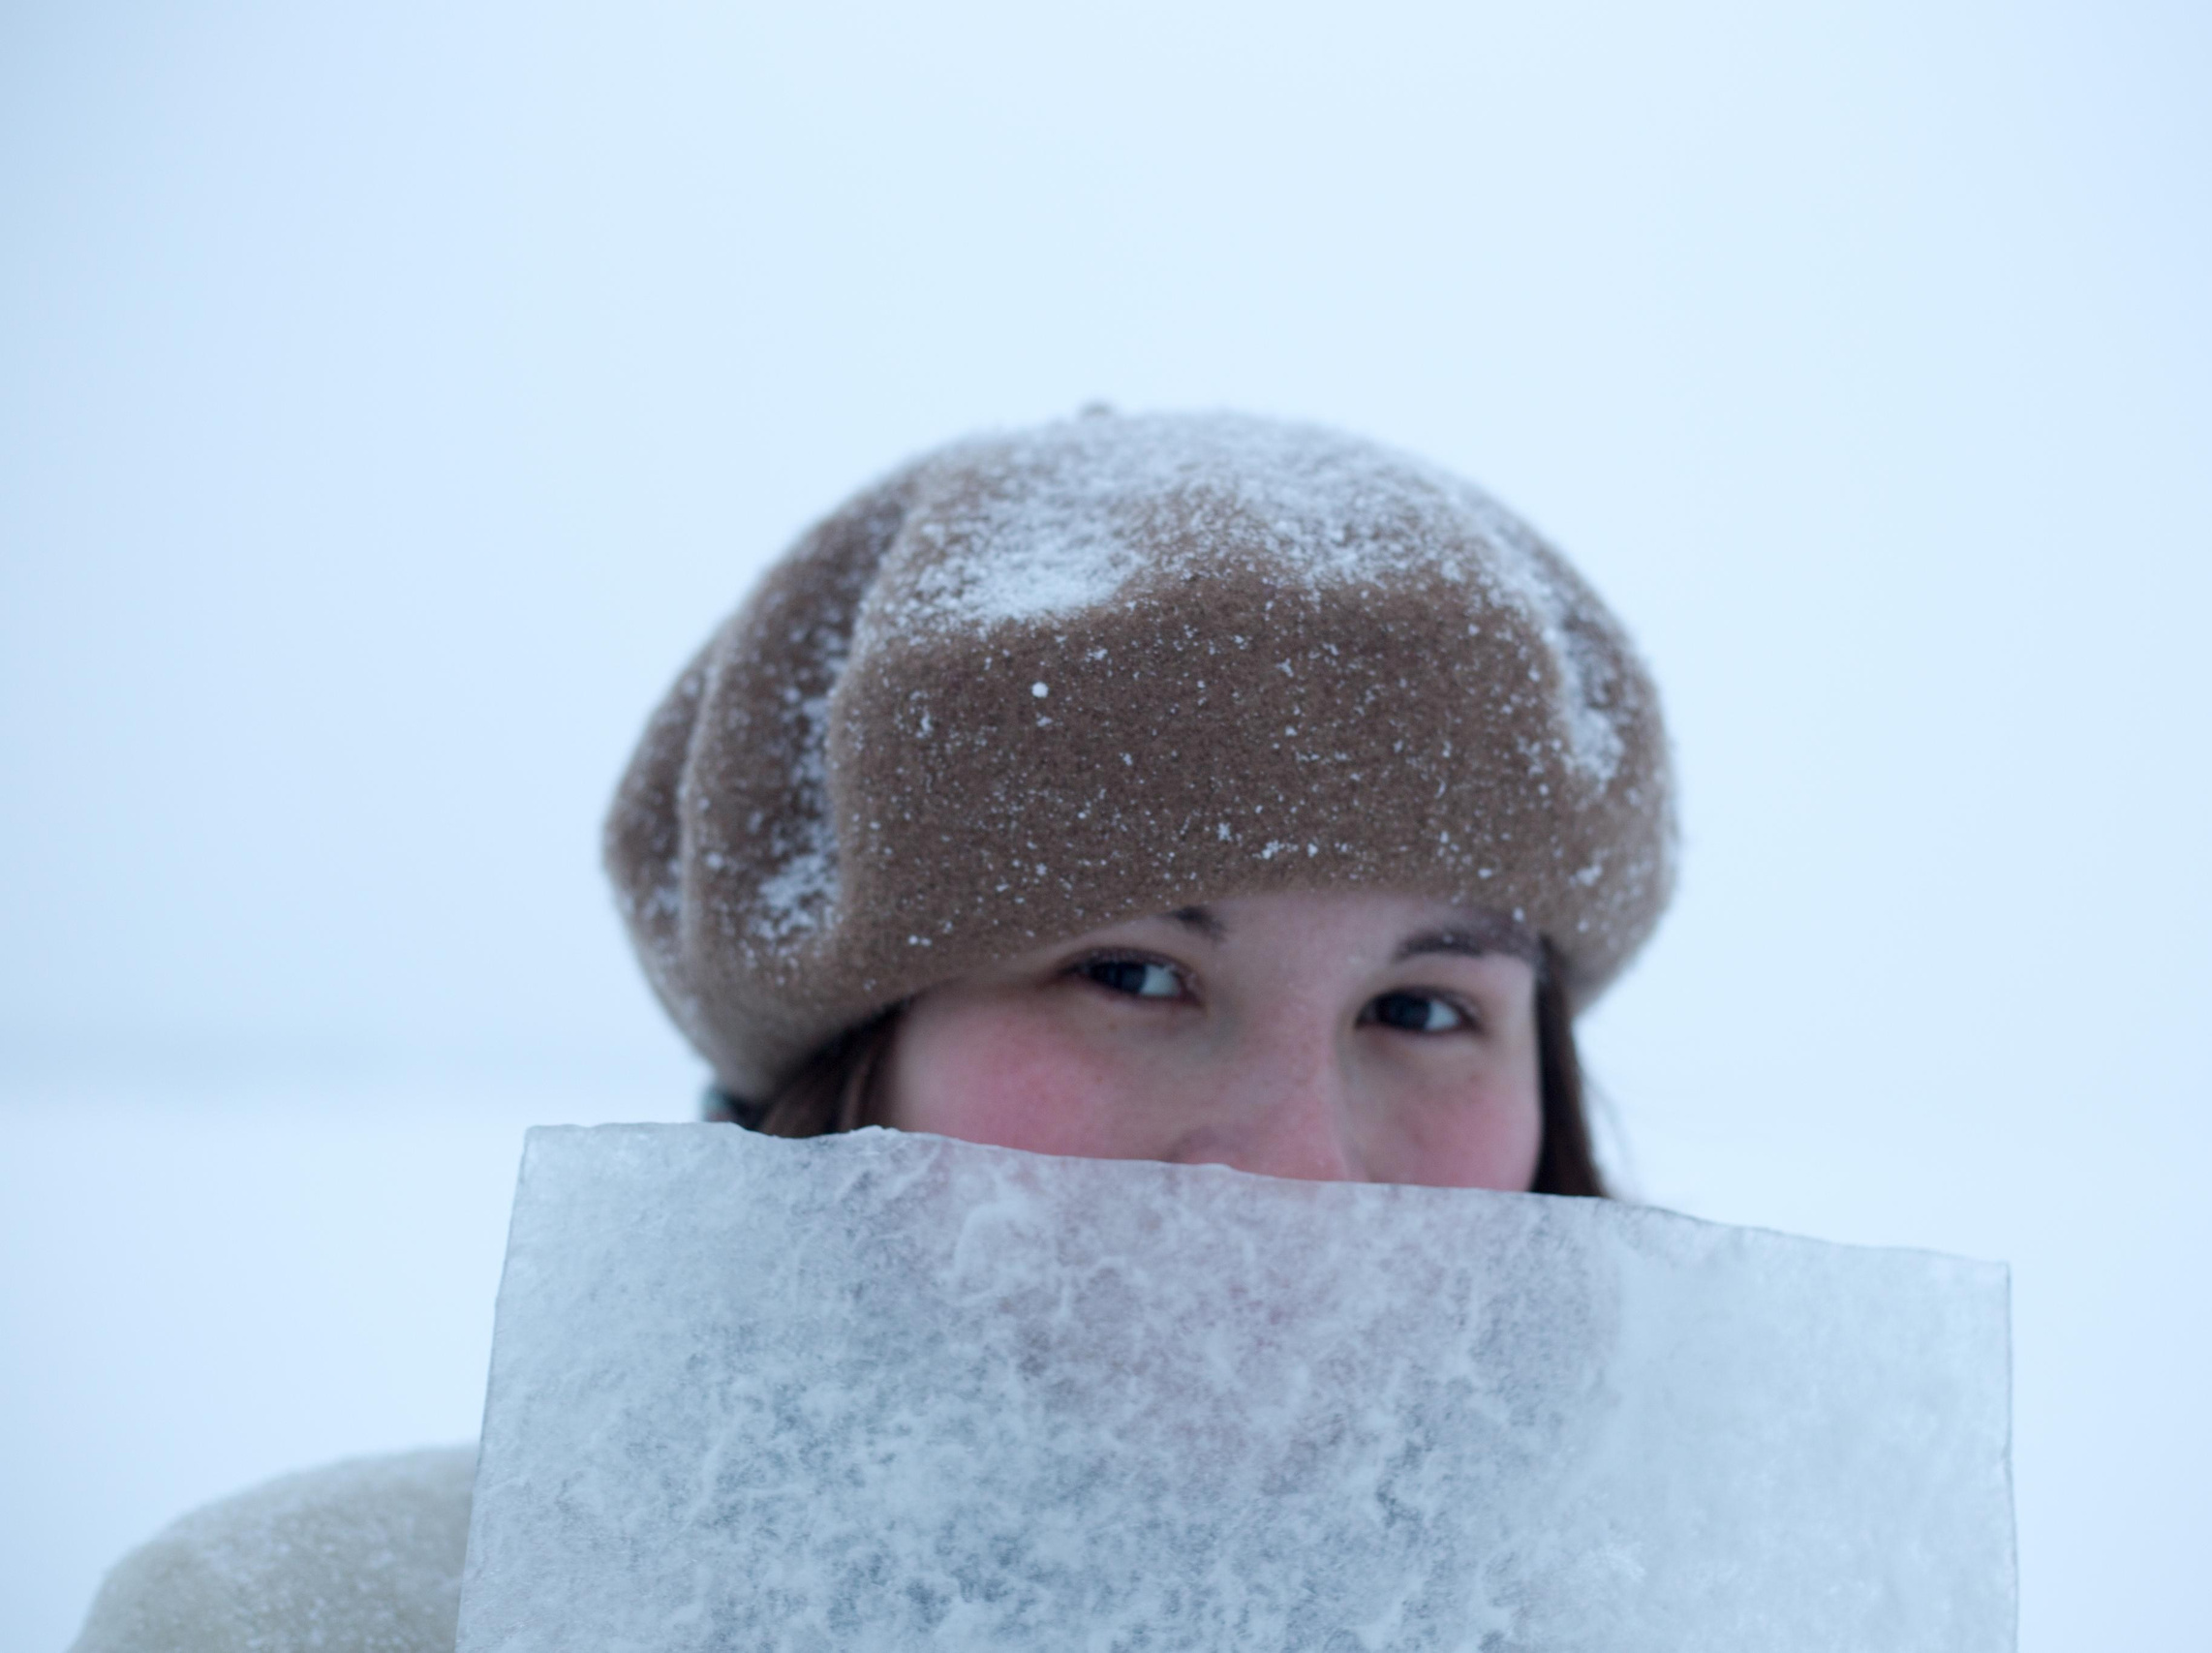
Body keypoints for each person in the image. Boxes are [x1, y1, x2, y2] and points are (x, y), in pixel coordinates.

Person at [69, 409, 1675, 1651]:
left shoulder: (1769, 1616)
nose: (1300, 1170)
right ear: (850, 1046)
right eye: (1132, 975)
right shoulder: (316, 1625)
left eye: (1420, 1007)